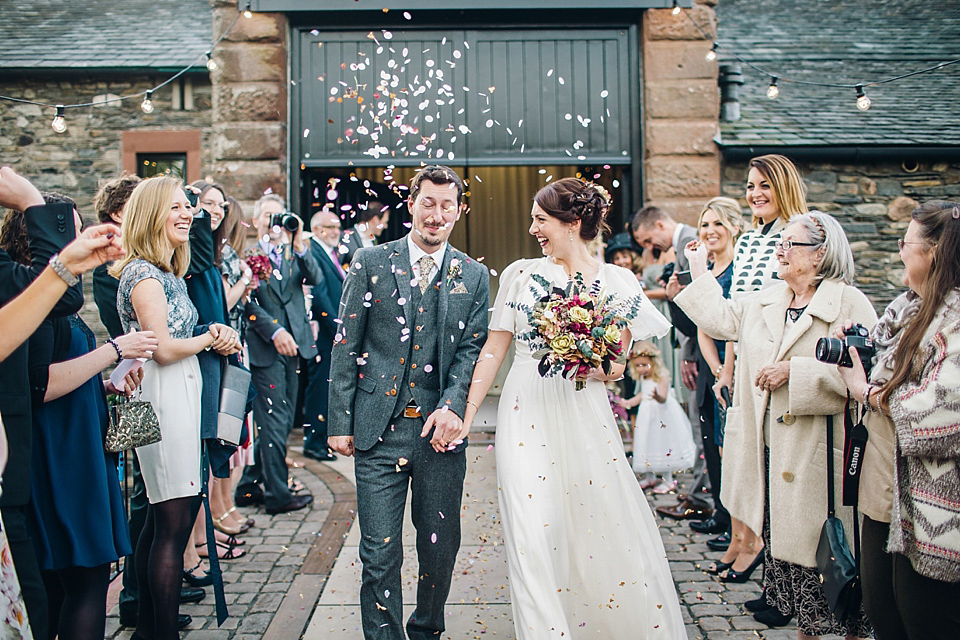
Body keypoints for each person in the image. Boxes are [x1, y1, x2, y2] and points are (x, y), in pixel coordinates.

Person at [460, 177, 683, 638]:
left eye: (541, 219)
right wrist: (467, 412)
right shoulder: (520, 274)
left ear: (573, 222)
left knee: (595, 524)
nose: (532, 229)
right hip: (525, 412)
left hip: (585, 413)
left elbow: (618, 362)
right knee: (530, 530)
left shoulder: (617, 281)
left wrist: (595, 360)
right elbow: (493, 349)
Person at [675, 211, 876, 639]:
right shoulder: (768, 298)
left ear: (820, 255)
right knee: (796, 579)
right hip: (771, 455)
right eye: (779, 243)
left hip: (817, 460)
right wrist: (697, 268)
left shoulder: (849, 303)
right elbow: (721, 320)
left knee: (836, 569)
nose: (779, 250)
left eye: (790, 244)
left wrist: (796, 372)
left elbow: (866, 372)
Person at [327, 165, 489, 640]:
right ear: (411, 203)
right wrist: (341, 420)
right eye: (427, 203)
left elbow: (471, 351)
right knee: (378, 552)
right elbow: (345, 344)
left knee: (439, 549)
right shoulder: (370, 262)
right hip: (377, 430)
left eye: (446, 206)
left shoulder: (474, 275)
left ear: (459, 211)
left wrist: (455, 406)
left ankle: (425, 630)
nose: (435, 215)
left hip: (439, 435)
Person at [0, 198, 156, 640]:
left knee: (74, 582)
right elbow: (40, 384)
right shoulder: (33, 302)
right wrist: (114, 350)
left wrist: (105, 383)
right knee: (84, 581)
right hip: (61, 460)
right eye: (69, 231)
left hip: (76, 446)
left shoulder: (45, 302)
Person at [112, 176, 241, 640]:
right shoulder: (144, 274)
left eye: (188, 206)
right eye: (176, 208)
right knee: (171, 519)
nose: (187, 214)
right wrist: (210, 336)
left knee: (163, 516)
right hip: (161, 397)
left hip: (178, 392)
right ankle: (159, 632)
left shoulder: (166, 272)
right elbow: (161, 349)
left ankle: (150, 627)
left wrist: (212, 332)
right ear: (149, 215)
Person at [835, 200, 960, 639]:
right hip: (882, 491)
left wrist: (864, 391)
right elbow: (882, 356)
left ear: (934, 253)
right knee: (883, 615)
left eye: (906, 243)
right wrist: (857, 345)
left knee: (924, 622)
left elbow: (943, 414)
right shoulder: (908, 307)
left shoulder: (956, 318)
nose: (899, 252)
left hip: (932, 508)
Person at [234, 194, 321, 514]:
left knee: (283, 420)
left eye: (278, 215)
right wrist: (274, 331)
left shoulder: (293, 253)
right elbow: (247, 303)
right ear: (256, 222)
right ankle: (277, 495)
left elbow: (317, 279)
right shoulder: (247, 256)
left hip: (296, 348)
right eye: (267, 216)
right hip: (266, 349)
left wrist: (298, 242)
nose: (273, 223)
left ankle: (247, 485)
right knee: (273, 421)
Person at [632, 206, 710, 522]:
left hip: (703, 347)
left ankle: (702, 496)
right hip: (693, 345)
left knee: (701, 422)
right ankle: (700, 495)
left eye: (648, 238)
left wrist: (690, 352)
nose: (649, 247)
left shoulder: (690, 243)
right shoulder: (678, 247)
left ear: (660, 224)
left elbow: (699, 306)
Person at [687, 197, 742, 570]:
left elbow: (733, 320)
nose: (710, 232)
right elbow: (702, 322)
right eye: (705, 225)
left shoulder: (739, 269)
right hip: (713, 364)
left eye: (717, 224)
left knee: (731, 448)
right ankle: (723, 515)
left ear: (734, 227)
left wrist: (728, 369)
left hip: (737, 364)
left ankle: (738, 527)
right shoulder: (705, 268)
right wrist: (715, 366)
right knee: (712, 442)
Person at [301, 209, 346, 462]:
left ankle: (321, 440)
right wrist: (339, 328)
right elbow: (319, 297)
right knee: (319, 389)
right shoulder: (314, 252)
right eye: (331, 227)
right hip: (323, 334)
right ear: (317, 229)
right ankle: (314, 443)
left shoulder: (330, 253)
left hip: (332, 333)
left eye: (338, 227)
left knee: (326, 388)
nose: (336, 232)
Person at [622, 340, 696, 493]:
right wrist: (629, 402)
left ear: (654, 362)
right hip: (646, 417)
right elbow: (643, 394)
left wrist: (657, 397)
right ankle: (650, 477)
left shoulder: (661, 378)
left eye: (645, 365)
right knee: (647, 443)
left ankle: (668, 480)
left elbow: (662, 397)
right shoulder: (644, 378)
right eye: (638, 365)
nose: (641, 369)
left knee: (662, 444)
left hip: (662, 416)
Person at [337, 199, 389, 266]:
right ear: (375, 219)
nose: (386, 226)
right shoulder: (345, 237)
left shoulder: (374, 241)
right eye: (385, 222)